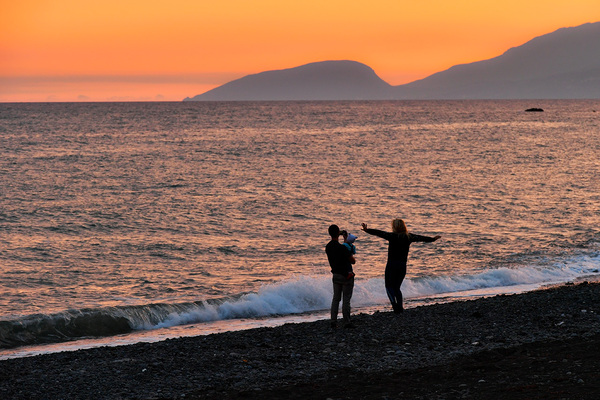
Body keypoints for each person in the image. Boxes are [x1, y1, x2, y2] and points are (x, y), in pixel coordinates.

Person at [361, 219, 441, 314]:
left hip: (391, 265)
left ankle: (395, 306)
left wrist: (367, 230)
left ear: (394, 227)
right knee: (397, 287)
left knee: (388, 287)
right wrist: (432, 239)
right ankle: (400, 308)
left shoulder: (392, 236)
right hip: (402, 265)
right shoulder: (409, 237)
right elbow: (421, 238)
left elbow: (380, 233)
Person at [325, 224, 356, 328]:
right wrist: (347, 243)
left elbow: (338, 255)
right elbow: (352, 261)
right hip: (346, 275)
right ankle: (347, 321)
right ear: (338, 233)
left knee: (336, 299)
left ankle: (333, 321)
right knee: (346, 299)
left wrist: (344, 244)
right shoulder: (342, 248)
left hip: (336, 275)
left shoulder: (328, 247)